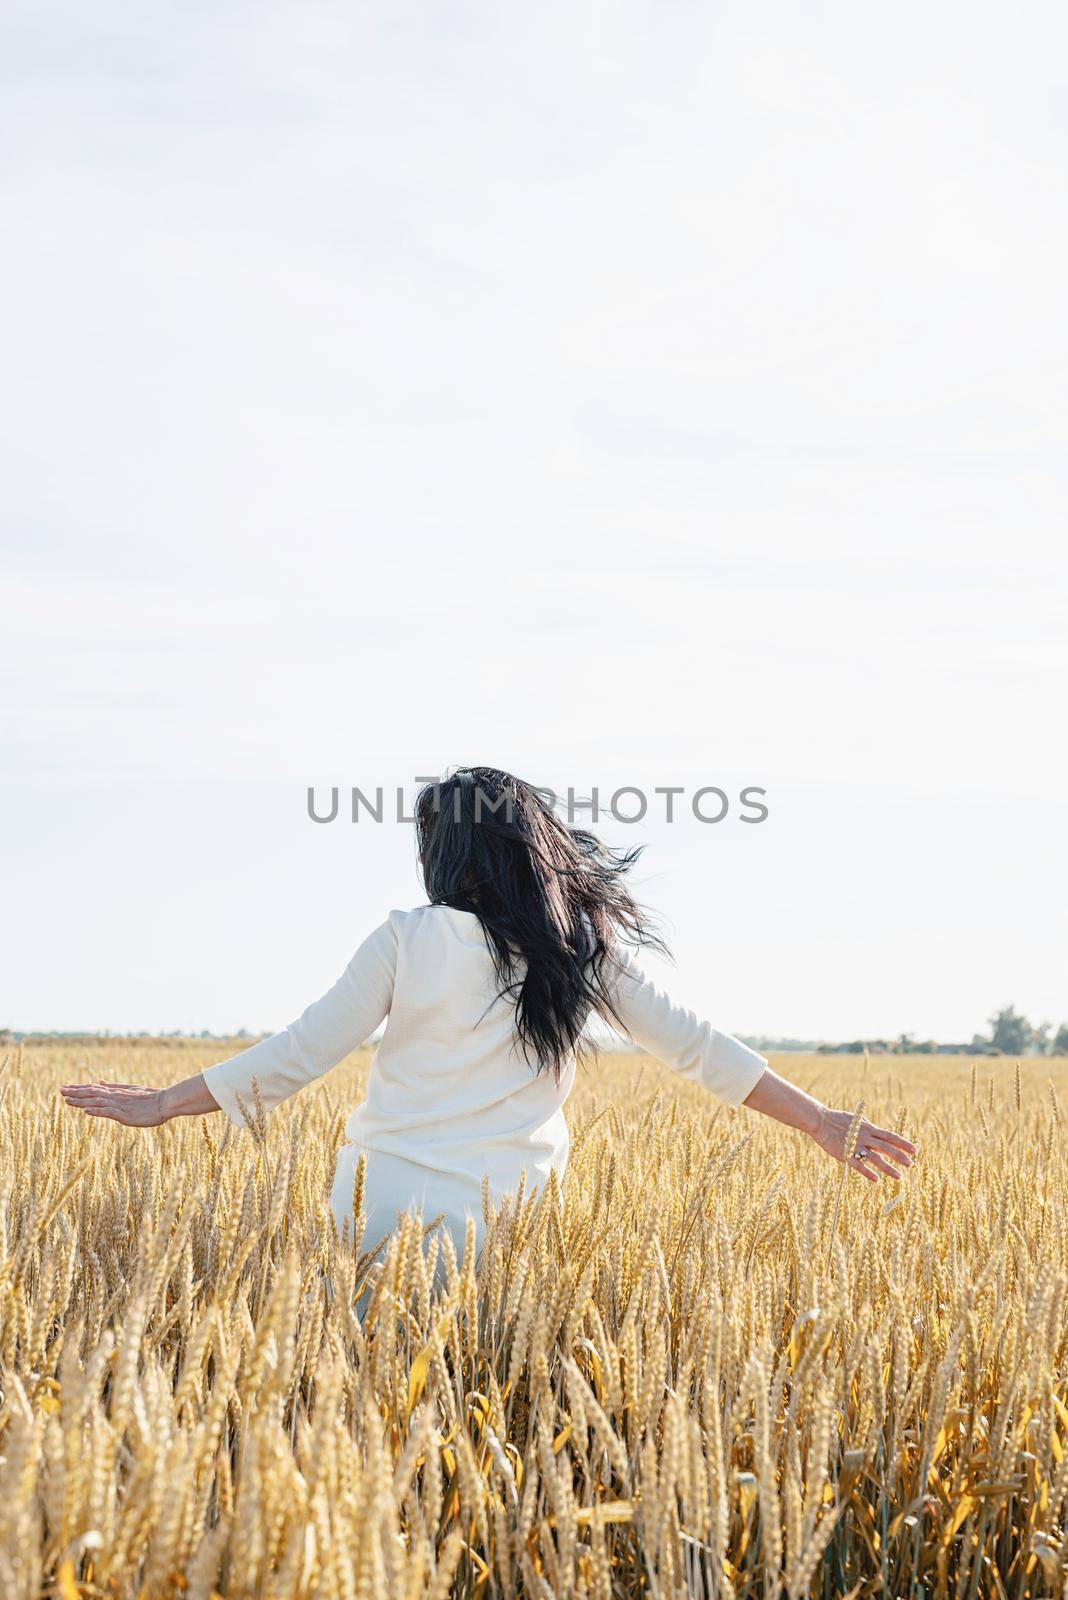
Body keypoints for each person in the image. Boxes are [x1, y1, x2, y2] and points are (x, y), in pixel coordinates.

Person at [60, 767, 916, 1270]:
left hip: (376, 1208)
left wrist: (166, 1103)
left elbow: (302, 1052)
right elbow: (695, 1047)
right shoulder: (577, 952)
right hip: (504, 1228)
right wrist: (819, 1121)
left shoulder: (407, 939)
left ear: (446, 854)